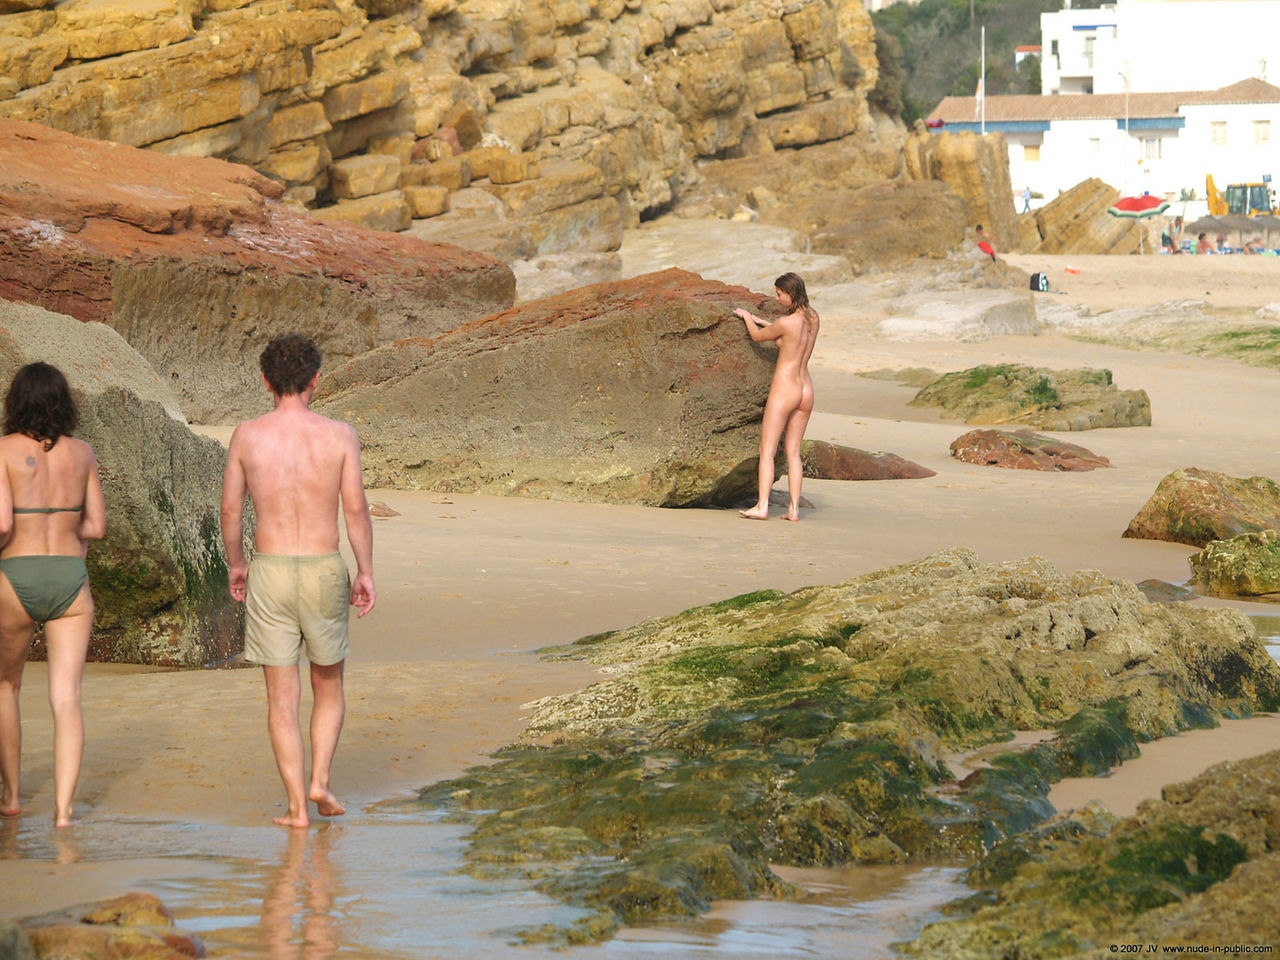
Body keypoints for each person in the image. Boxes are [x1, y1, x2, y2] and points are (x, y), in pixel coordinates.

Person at [220, 333, 375, 828]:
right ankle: (320, 781)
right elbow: (356, 509)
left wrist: (237, 563)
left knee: (281, 701)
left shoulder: (247, 435)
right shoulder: (339, 436)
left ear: (266, 381)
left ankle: (294, 808)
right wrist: (365, 570)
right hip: (322, 567)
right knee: (328, 686)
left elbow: (230, 510)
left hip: (270, 569)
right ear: (316, 380)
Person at [0, 363, 106, 826]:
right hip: (69, 577)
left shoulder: (3, 450)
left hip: (15, 575)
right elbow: (96, 526)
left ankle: (11, 797)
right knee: (67, 697)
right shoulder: (82, 453)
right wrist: (66, 533)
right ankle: (63, 811)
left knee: (6, 687)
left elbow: (2, 523)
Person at [734, 273, 820, 522]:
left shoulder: (785, 323)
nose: (777, 298)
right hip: (806, 389)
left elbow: (757, 337)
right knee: (793, 452)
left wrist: (747, 318)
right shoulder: (813, 317)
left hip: (785, 389)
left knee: (768, 450)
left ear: (790, 294)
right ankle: (793, 509)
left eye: (779, 294)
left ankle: (762, 506)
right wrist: (765, 322)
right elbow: (788, 339)